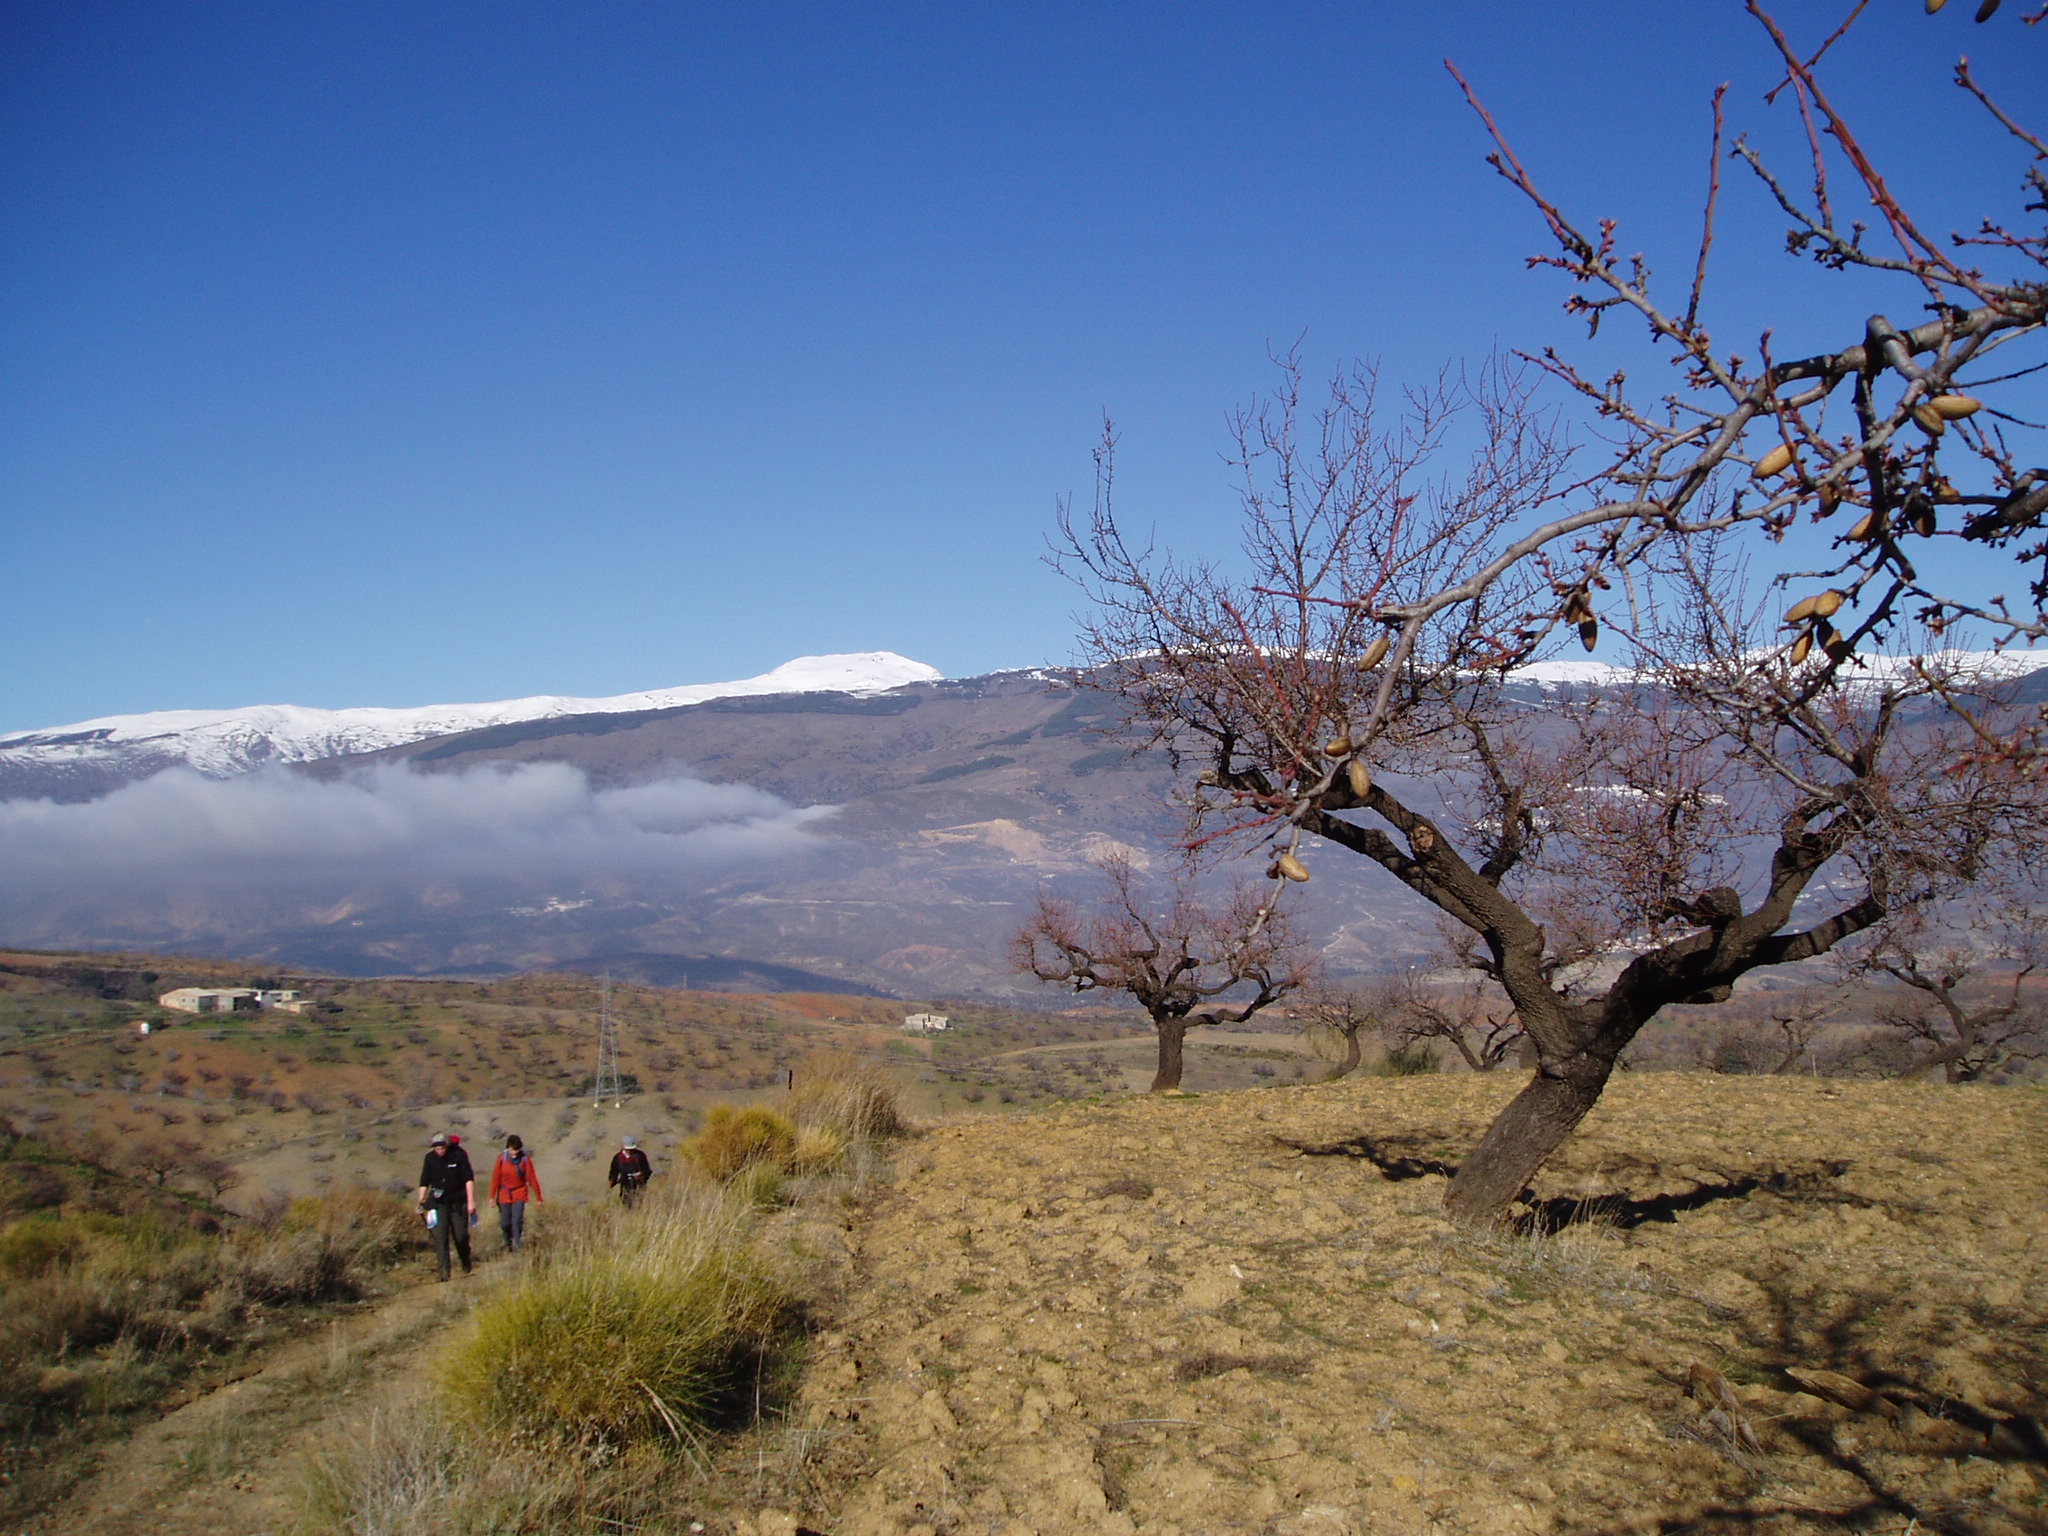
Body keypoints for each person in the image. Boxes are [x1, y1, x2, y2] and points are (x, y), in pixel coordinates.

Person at [415, 1131, 476, 1280]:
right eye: (436, 1148)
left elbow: (468, 1178)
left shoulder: (459, 1155)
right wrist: (421, 1200)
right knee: (440, 1237)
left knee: (460, 1236)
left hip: (458, 1202)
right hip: (439, 1203)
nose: (439, 1150)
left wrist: (471, 1201)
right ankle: (444, 1273)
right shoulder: (430, 1159)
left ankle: (465, 1260)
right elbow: (424, 1181)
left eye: (442, 1147)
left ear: (447, 1145)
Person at [489, 1133, 543, 1252]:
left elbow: (532, 1178)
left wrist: (539, 1197)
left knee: (517, 1220)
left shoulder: (524, 1159)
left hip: (519, 1192)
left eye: (517, 1150)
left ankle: (517, 1245)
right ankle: (508, 1242)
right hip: (504, 1194)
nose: (514, 1153)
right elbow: (495, 1179)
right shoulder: (501, 1159)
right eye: (512, 1150)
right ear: (508, 1148)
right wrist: (492, 1197)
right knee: (505, 1223)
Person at [608, 1135, 652, 1208]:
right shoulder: (618, 1158)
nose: (630, 1151)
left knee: (638, 1204)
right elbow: (614, 1172)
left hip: (639, 1186)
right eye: (627, 1149)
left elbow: (647, 1171)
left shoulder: (640, 1156)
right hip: (625, 1185)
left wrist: (641, 1175)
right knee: (626, 1204)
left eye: (631, 1149)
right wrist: (612, 1181)